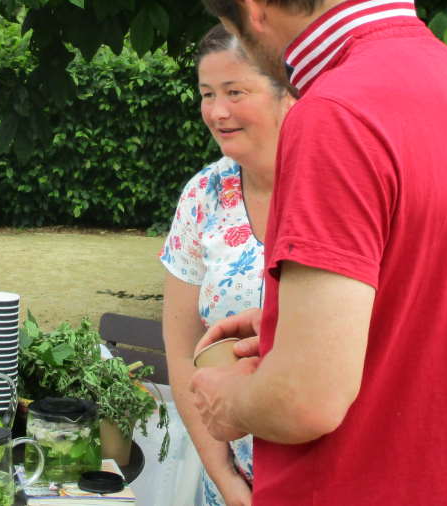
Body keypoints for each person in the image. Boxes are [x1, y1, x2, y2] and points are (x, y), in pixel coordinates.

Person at [188, 0, 447, 504]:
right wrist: (306, 325)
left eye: (230, 27)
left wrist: (229, 403)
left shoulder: (332, 113)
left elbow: (305, 400)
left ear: (252, 9)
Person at [159, 24, 295, 506]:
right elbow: (181, 354)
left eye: (235, 92)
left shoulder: (332, 187)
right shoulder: (203, 196)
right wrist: (225, 481)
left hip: (328, 480)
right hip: (232, 486)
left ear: (287, 93)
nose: (217, 112)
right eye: (207, 93)